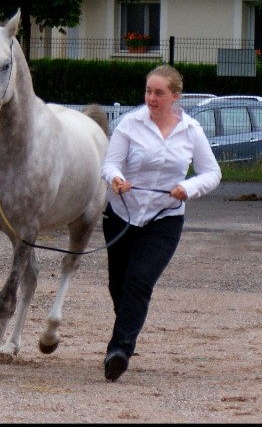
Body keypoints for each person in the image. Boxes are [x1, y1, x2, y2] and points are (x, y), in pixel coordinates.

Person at [101, 64, 221, 382]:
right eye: (148, 91)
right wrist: (116, 178)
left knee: (138, 283)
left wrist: (189, 188)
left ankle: (119, 351)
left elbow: (213, 173)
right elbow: (111, 162)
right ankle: (126, 328)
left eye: (158, 93)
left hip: (164, 218)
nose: (151, 98)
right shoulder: (130, 124)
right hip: (122, 214)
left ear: (174, 96)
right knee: (119, 284)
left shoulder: (191, 130)